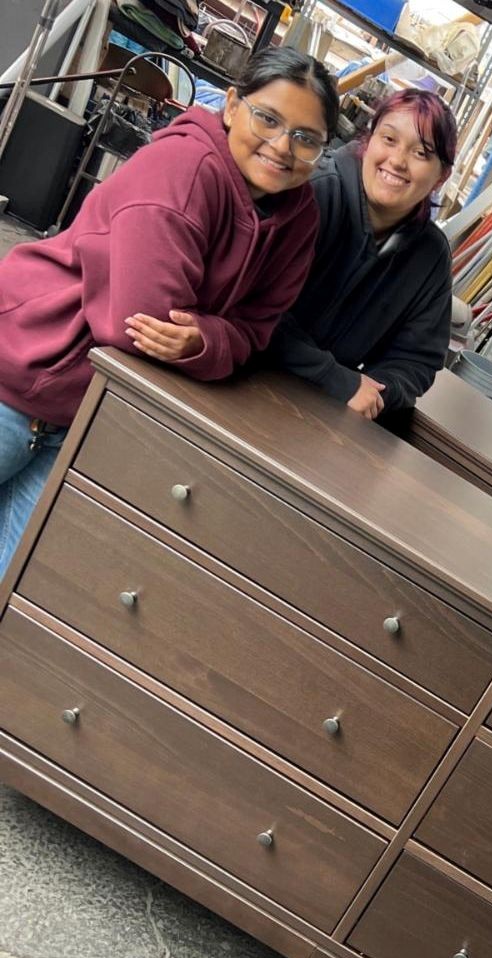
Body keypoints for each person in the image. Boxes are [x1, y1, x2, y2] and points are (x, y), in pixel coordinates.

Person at [0, 48, 339, 577]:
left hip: (87, 409)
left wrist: (204, 339)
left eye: (306, 137)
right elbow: (137, 325)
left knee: (13, 574)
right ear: (231, 105)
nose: (282, 147)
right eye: (268, 119)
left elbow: (257, 329)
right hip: (19, 370)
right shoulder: (182, 168)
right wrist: (213, 342)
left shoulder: (299, 218)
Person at [265, 88, 456, 428]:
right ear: (369, 141)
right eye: (389, 139)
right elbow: (256, 300)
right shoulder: (314, 192)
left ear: (441, 176)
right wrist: (338, 379)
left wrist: (377, 391)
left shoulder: (431, 257)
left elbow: (416, 359)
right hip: (244, 370)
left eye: (422, 153)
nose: (397, 160)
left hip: (321, 415)